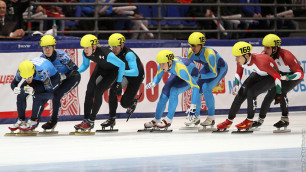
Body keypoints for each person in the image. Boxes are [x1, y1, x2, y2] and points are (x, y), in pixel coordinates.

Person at [216, 41, 282, 131]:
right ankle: (229, 120)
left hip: (271, 77)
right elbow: (239, 72)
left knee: (251, 92)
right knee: (241, 92)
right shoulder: (241, 59)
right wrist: (236, 84)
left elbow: (277, 76)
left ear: (246, 56)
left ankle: (249, 120)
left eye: (238, 57)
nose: (236, 59)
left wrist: (278, 93)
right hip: (258, 73)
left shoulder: (262, 62)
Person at [252, 34, 304, 129]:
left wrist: (287, 77)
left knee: (281, 92)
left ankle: (285, 119)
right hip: (280, 74)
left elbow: (301, 74)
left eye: (267, 48)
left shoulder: (286, 56)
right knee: (269, 96)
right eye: (264, 47)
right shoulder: (265, 54)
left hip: (293, 75)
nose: (264, 50)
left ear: (275, 49)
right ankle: (260, 120)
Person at [75, 34, 125, 131]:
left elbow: (122, 65)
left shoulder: (107, 54)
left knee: (98, 91)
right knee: (89, 91)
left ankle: (91, 120)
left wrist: (118, 82)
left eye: (87, 48)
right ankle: (85, 120)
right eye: (84, 48)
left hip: (112, 72)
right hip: (101, 69)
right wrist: (77, 71)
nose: (85, 50)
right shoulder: (85, 53)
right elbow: (85, 65)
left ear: (94, 47)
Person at [144, 50, 200, 129]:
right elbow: (158, 76)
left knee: (174, 91)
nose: (161, 66)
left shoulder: (181, 69)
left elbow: (196, 87)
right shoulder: (163, 64)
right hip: (177, 74)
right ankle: (157, 119)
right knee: (164, 94)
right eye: (160, 63)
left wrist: (193, 107)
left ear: (170, 62)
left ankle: (169, 119)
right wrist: (153, 83)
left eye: (163, 64)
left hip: (192, 75)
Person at [102, 33, 145, 128]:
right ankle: (111, 119)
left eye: (116, 47)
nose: (113, 50)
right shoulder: (113, 53)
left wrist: (120, 72)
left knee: (125, 104)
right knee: (113, 90)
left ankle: (133, 102)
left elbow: (135, 72)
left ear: (122, 45)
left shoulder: (129, 54)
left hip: (136, 76)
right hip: (125, 74)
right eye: (111, 47)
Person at [39, 35, 81, 130]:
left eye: (49, 47)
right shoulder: (42, 59)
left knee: (56, 95)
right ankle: (35, 119)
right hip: (57, 79)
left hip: (71, 78)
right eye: (44, 47)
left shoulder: (63, 57)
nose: (47, 50)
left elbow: (75, 71)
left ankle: (53, 120)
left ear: (54, 47)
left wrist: (64, 76)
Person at [187, 32, 228, 128]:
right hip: (207, 67)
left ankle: (211, 118)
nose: (193, 48)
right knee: (196, 87)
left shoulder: (210, 54)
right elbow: (189, 66)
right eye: (191, 46)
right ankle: (195, 116)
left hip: (219, 69)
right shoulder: (189, 53)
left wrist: (200, 76)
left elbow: (213, 73)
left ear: (202, 45)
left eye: (195, 46)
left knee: (206, 88)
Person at [9, 58, 60, 132]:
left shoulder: (42, 72)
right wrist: (14, 88)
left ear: (33, 72)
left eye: (29, 77)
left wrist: (34, 92)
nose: (27, 80)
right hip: (36, 78)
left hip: (52, 78)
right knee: (21, 92)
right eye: (25, 78)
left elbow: (50, 95)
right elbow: (14, 83)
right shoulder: (22, 70)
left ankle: (33, 121)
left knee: (38, 95)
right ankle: (21, 120)